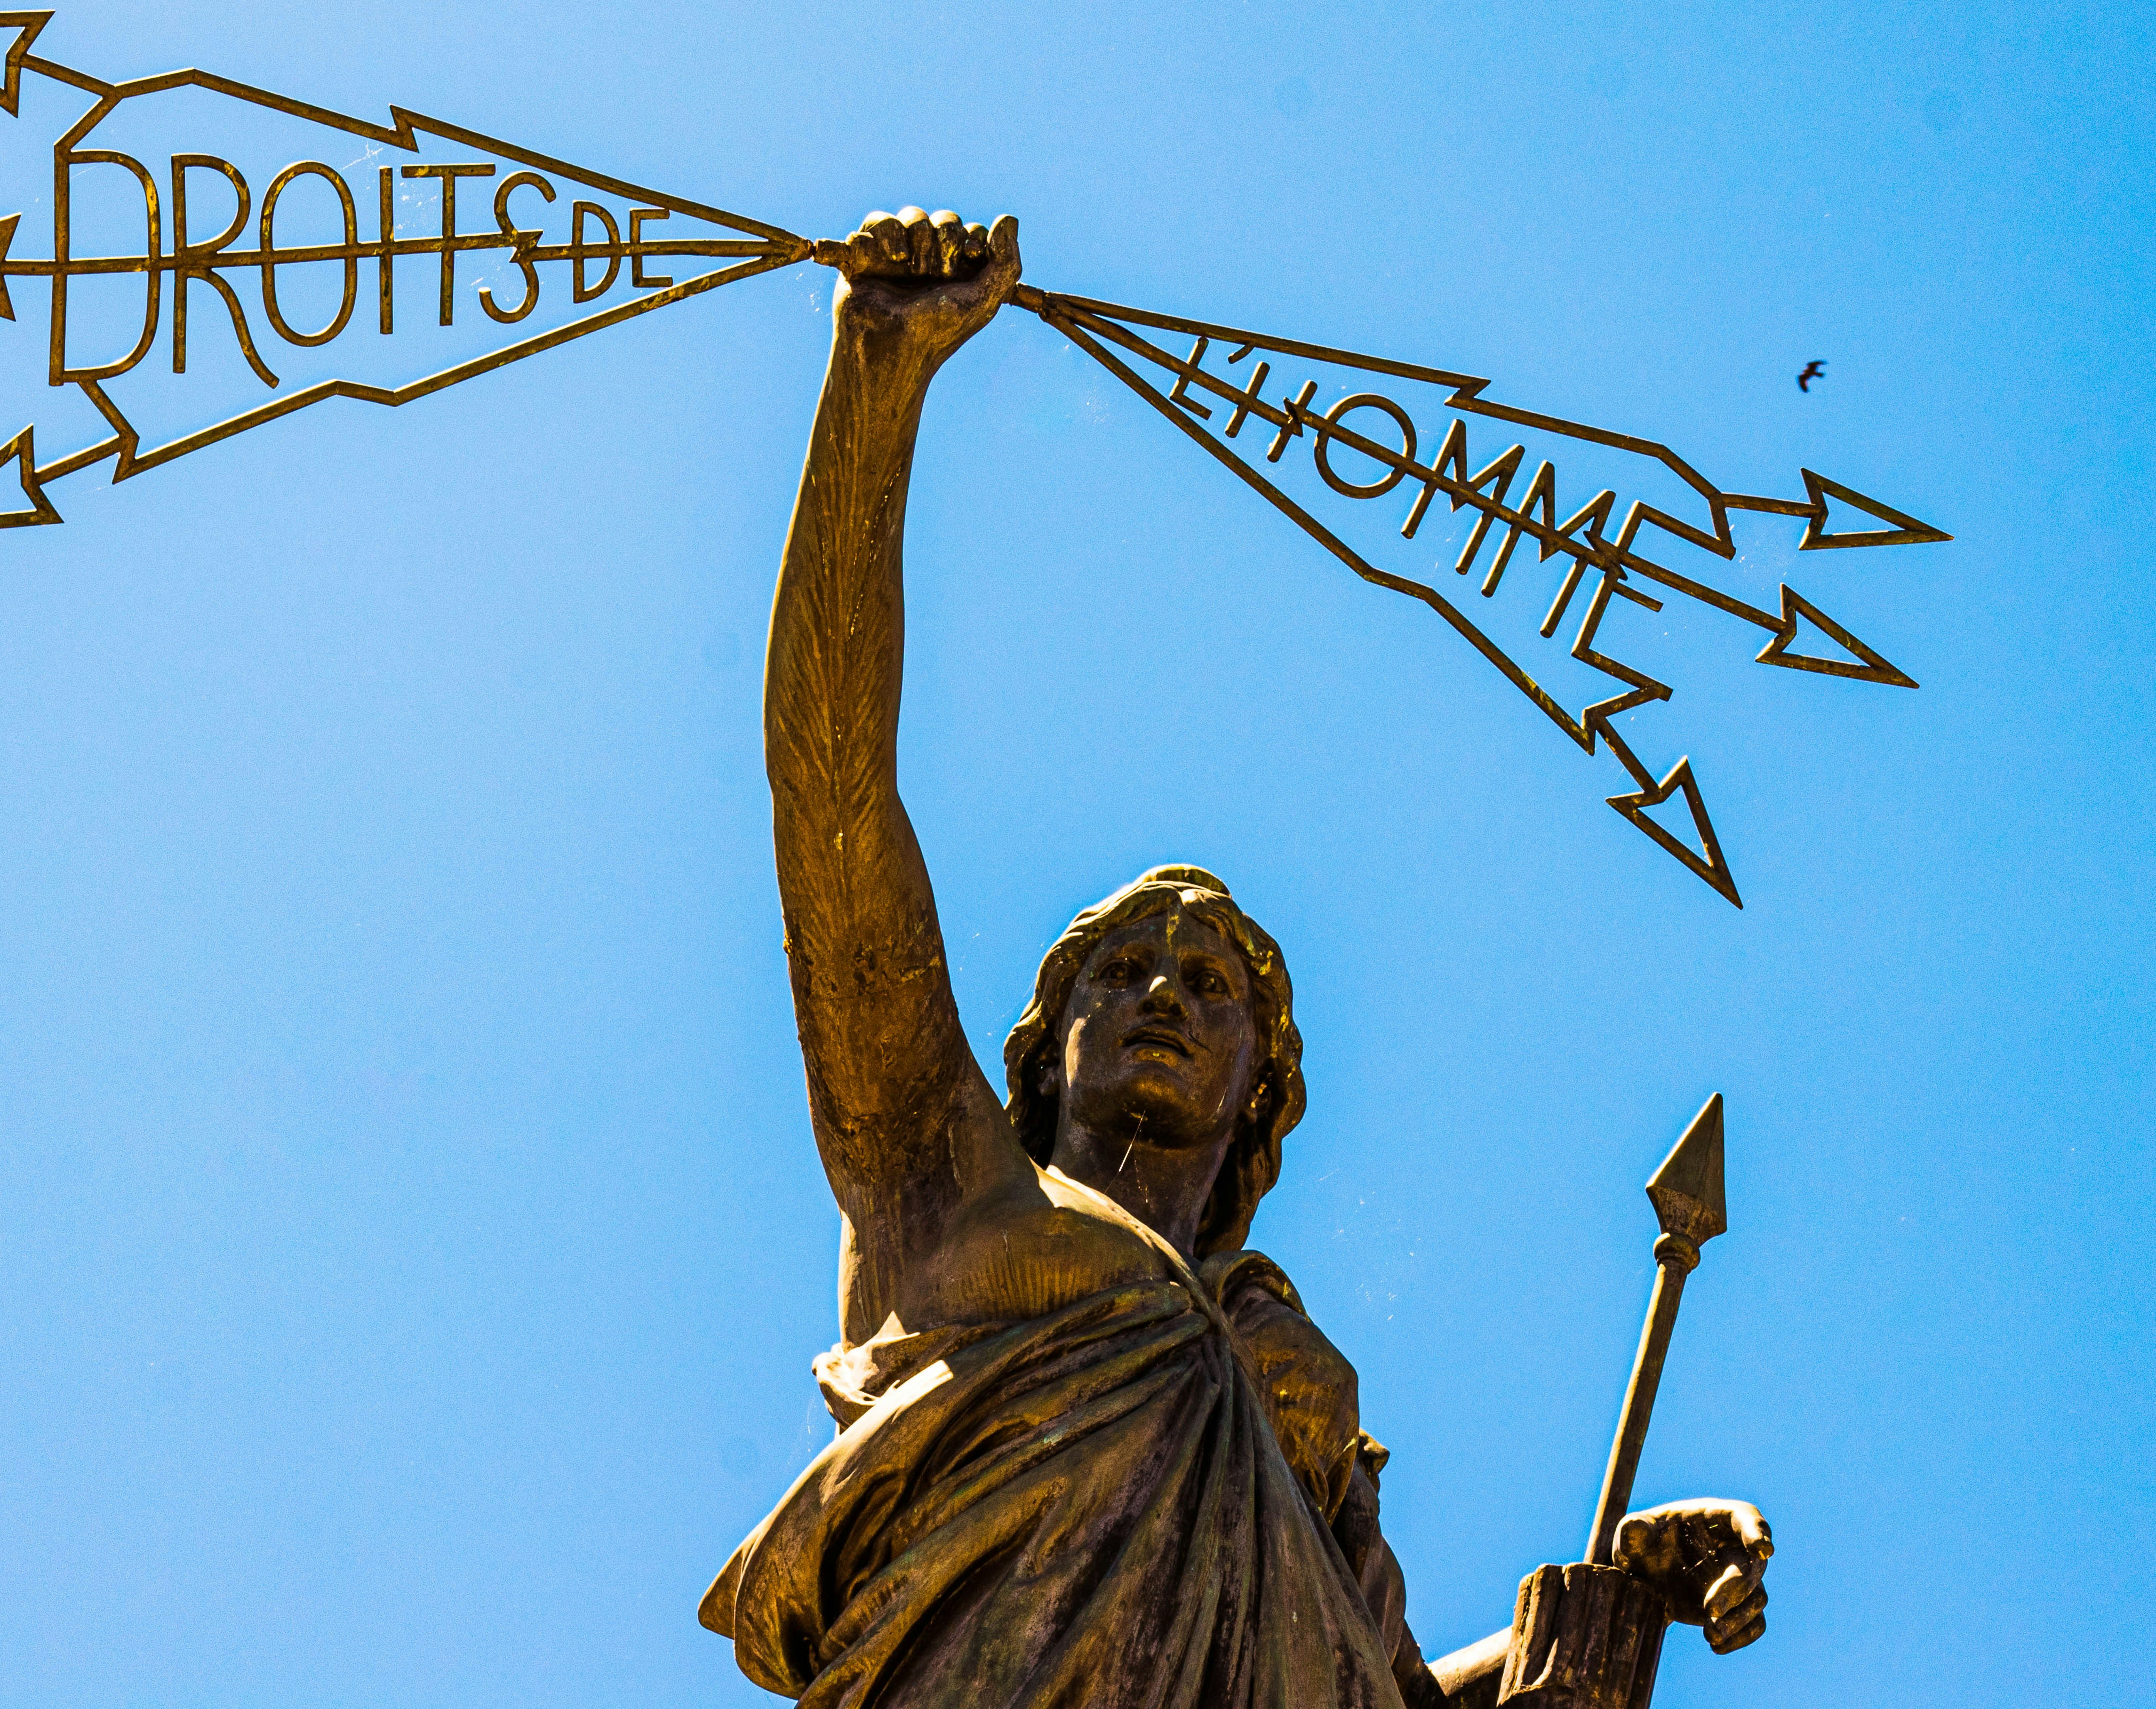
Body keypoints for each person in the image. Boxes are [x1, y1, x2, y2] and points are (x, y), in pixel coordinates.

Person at [700, 209, 1776, 1706]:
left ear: (1263, 1086)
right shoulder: (950, 1190)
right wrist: (875, 382)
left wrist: (1604, 1613)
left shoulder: (1298, 1388)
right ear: (1044, 1040)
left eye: (1213, 987)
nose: (1162, 993)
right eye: (1121, 969)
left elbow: (1381, 1693)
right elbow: (832, 797)